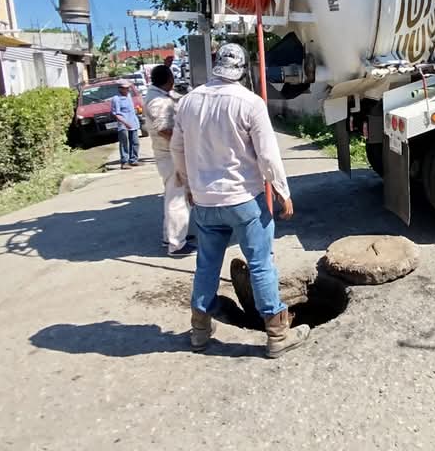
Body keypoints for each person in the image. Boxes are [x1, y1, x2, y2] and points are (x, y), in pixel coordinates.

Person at [170, 43, 309, 358]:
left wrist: (188, 184)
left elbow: (177, 148)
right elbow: (268, 155)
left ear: (216, 66)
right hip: (245, 200)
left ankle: (199, 331)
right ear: (243, 70)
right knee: (260, 264)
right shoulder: (250, 103)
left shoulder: (188, 102)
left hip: (205, 203)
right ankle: (277, 335)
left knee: (206, 264)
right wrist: (283, 191)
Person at [144, 65, 197, 257]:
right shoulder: (157, 101)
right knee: (178, 198)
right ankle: (176, 244)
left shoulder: (159, 95)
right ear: (169, 79)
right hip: (170, 154)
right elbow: (164, 129)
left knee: (172, 196)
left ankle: (171, 236)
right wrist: (183, 144)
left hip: (168, 154)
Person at [110, 80, 141, 169]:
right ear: (120, 89)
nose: (127, 90)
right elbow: (116, 114)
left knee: (135, 142)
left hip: (133, 123)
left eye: (128, 88)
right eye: (125, 88)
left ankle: (134, 160)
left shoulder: (129, 96)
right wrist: (125, 123)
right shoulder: (116, 99)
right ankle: (124, 162)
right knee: (124, 143)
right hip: (123, 124)